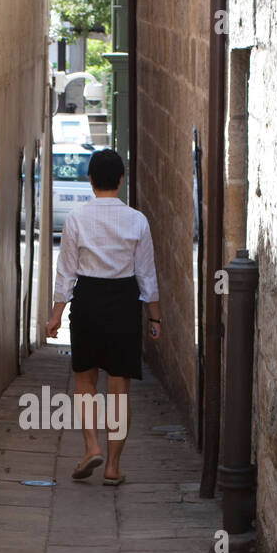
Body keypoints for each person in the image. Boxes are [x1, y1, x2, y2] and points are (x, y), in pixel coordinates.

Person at [46, 149, 161, 485]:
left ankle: (91, 446)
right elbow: (146, 275)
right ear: (121, 180)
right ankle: (112, 466)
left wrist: (56, 316)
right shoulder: (137, 220)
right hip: (124, 302)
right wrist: (155, 319)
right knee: (119, 389)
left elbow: (65, 273)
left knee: (84, 382)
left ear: (91, 181)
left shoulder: (76, 219)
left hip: (89, 302)